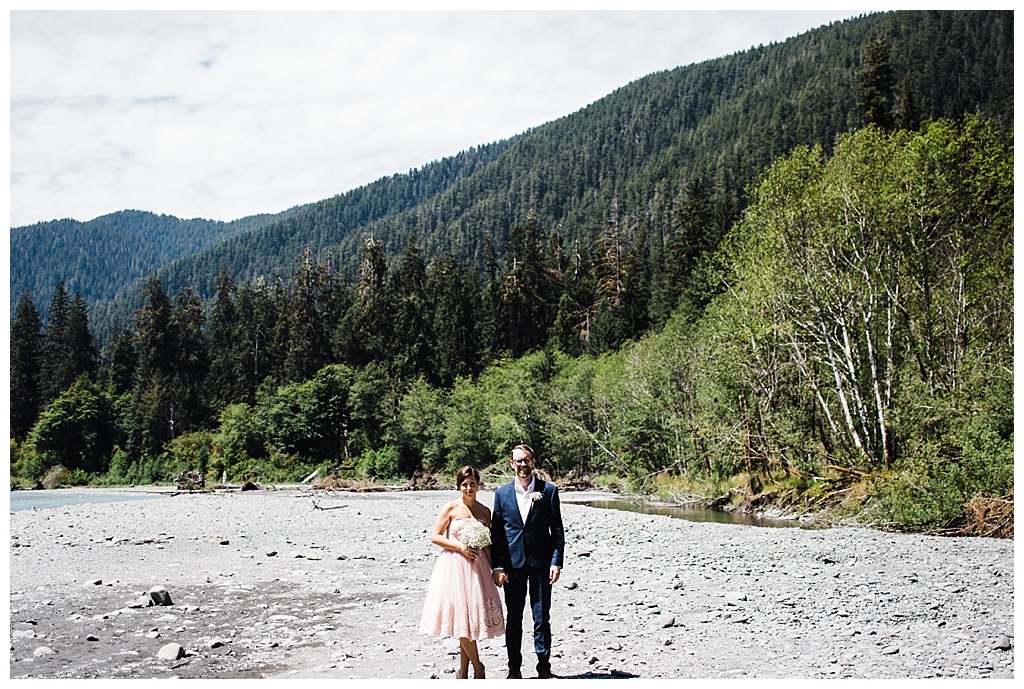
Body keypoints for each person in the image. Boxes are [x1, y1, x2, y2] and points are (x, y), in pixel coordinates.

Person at [420, 465, 505, 679]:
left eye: (472, 484)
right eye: (465, 485)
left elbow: (487, 544)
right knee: (460, 618)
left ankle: (463, 672)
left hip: (477, 568)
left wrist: (495, 568)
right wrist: (460, 547)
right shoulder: (450, 508)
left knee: (468, 619)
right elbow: (435, 536)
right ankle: (478, 667)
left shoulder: (484, 511)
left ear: (478, 485)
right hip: (454, 567)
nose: (469, 488)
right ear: (459, 486)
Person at [489, 445, 565, 679]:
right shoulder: (501, 494)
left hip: (541, 564)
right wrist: (498, 566)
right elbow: (498, 534)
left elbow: (557, 530)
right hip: (513, 566)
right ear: (511, 463)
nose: (523, 464)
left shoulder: (548, 491)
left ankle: (544, 667)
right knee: (514, 618)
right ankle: (514, 668)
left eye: (527, 460)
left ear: (533, 462)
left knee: (542, 618)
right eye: (518, 461)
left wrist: (556, 561)